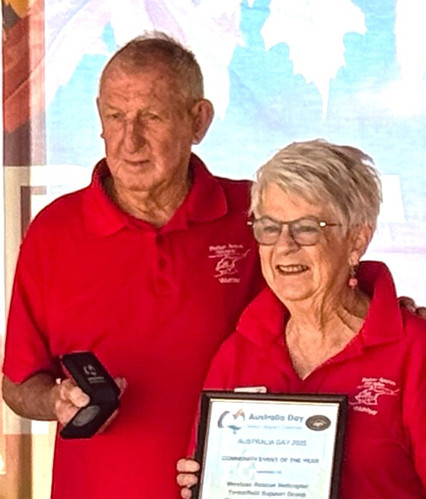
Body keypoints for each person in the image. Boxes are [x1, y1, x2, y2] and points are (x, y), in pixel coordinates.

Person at [1, 33, 264, 498]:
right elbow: (19, 382)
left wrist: (392, 310)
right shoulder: (53, 230)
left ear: (197, 120)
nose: (129, 140)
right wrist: (56, 400)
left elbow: (330, 317)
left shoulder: (255, 215)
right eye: (115, 117)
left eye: (151, 117)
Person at [176, 139, 426, 498]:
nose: (284, 246)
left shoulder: (414, 350)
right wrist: (204, 484)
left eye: (307, 228)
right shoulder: (238, 352)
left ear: (357, 239)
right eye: (269, 227)